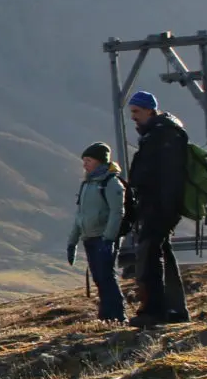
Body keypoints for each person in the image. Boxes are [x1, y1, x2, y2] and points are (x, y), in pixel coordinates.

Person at [123, 90, 190, 326]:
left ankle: (154, 311)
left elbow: (167, 177)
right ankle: (175, 310)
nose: (133, 117)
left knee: (149, 256)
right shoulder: (161, 135)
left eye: (136, 112)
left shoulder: (163, 137)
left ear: (150, 110)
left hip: (158, 208)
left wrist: (161, 209)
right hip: (159, 207)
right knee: (162, 254)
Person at [67, 142, 126, 322]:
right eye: (84, 160)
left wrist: (108, 239)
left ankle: (117, 315)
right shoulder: (87, 184)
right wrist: (72, 242)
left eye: (88, 160)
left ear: (100, 161)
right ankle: (106, 315)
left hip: (103, 237)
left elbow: (117, 212)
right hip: (89, 238)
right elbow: (80, 215)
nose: (84, 164)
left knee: (106, 277)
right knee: (99, 278)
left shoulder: (111, 183)